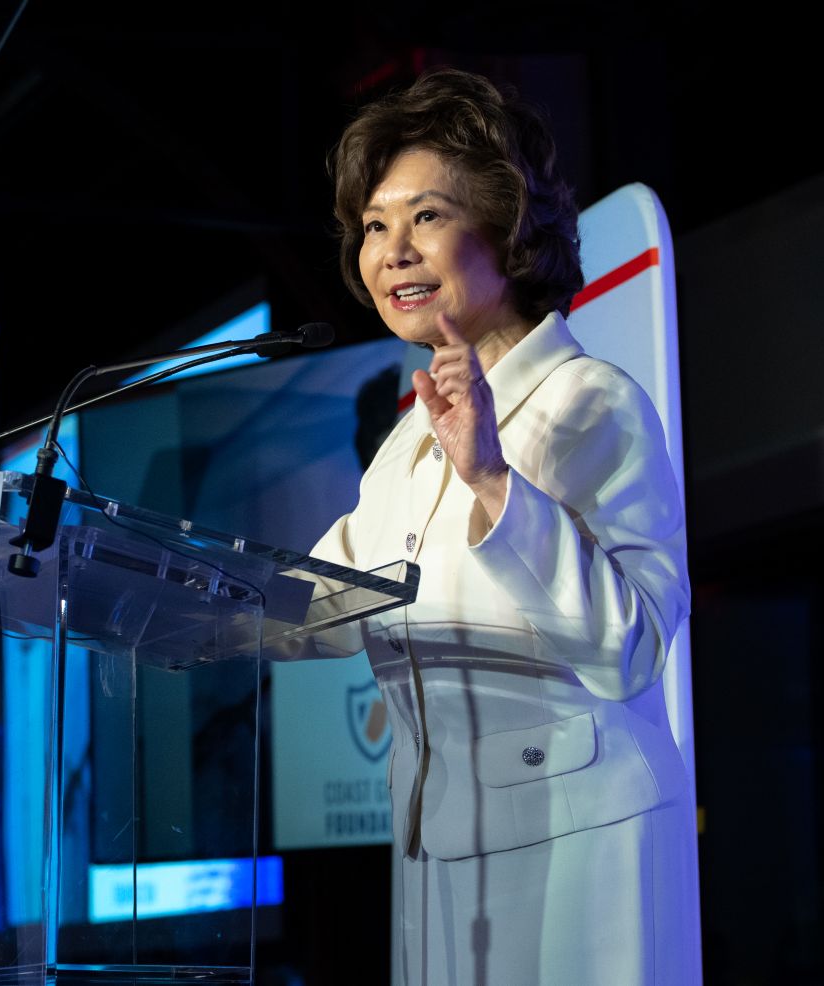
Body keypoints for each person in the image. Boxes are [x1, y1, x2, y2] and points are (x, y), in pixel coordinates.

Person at [307, 68, 702, 984]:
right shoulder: (405, 445)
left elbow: (633, 646)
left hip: (586, 859)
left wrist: (492, 479)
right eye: (374, 227)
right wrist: (149, 590)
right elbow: (319, 599)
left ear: (507, 227)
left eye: (426, 218)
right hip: (445, 863)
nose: (393, 251)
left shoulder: (590, 402)